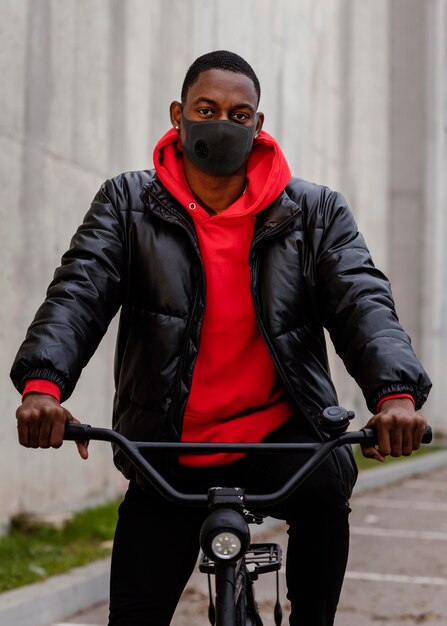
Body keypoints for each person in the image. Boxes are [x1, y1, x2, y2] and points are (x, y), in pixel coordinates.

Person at [11, 50, 431, 626]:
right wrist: (43, 385)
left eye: (240, 115)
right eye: (206, 110)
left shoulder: (315, 212)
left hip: (282, 440)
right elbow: (79, 292)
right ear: (178, 116)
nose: (222, 124)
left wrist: (396, 397)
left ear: (259, 126)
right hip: (167, 446)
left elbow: (362, 302)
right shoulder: (127, 203)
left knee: (326, 503)